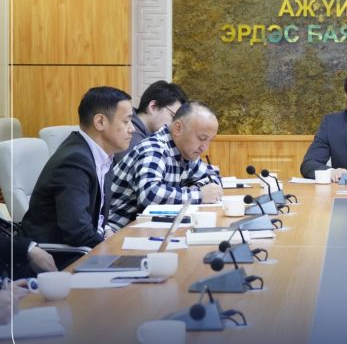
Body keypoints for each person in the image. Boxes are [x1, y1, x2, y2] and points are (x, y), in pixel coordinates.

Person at [21, 87, 134, 249]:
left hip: (88, 246)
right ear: (100, 122)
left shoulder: (104, 155)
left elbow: (96, 217)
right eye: (126, 121)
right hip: (60, 255)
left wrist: (108, 231)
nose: (132, 128)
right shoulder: (75, 161)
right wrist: (116, 250)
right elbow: (78, 232)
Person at [109, 101, 223, 229]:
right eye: (202, 138)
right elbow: (150, 195)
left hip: (142, 228)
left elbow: (213, 177)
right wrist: (199, 195)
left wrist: (198, 191)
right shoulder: (154, 149)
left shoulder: (186, 151)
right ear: (178, 128)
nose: (205, 147)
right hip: (113, 230)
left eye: (209, 140)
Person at [113, 80, 188, 164]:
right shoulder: (130, 135)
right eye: (173, 116)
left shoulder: (151, 136)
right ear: (153, 107)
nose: (176, 125)